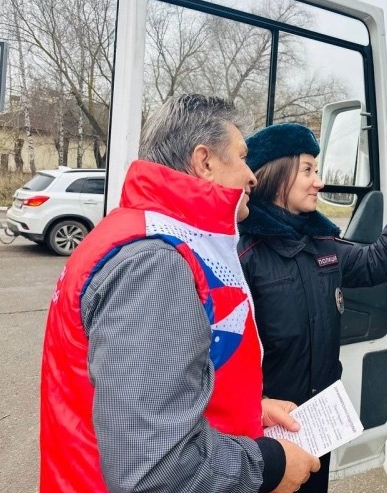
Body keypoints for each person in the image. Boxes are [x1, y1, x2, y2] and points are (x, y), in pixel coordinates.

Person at [39, 94, 320, 493]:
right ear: (204, 162)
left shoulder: (146, 235)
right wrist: (270, 465)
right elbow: (154, 466)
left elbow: (148, 389)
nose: (251, 175)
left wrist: (248, 411)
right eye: (241, 157)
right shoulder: (155, 264)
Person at [238, 122, 387, 493]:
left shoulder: (325, 245)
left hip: (319, 419)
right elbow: (222, 355)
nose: (319, 181)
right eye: (308, 170)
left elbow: (378, 261)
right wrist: (258, 405)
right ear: (275, 175)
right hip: (268, 424)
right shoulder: (244, 257)